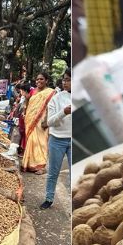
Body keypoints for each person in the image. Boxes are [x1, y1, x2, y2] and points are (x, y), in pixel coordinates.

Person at [41, 71, 76, 209]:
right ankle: (49, 198)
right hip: (57, 140)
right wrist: (63, 113)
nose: (64, 82)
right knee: (53, 172)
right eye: (64, 80)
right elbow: (49, 121)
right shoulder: (56, 99)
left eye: (68, 80)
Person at [21, 72, 56, 174]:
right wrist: (25, 113)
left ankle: (41, 166)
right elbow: (28, 103)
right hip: (30, 120)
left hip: (42, 121)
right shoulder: (33, 91)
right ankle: (29, 164)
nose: (38, 81)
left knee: (41, 143)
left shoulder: (50, 92)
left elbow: (51, 108)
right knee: (32, 141)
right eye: (37, 79)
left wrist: (46, 121)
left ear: (46, 81)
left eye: (41, 79)